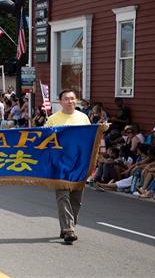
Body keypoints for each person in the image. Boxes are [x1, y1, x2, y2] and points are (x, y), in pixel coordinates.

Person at [46, 89, 106, 244]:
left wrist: (101, 130)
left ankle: (68, 226)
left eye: (72, 98)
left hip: (79, 164)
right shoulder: (53, 119)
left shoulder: (83, 117)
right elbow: (44, 141)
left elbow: (90, 138)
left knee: (76, 199)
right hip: (60, 164)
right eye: (66, 99)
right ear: (60, 102)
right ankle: (68, 230)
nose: (70, 101)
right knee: (63, 196)